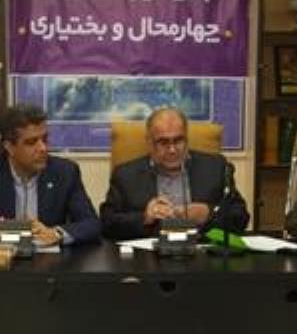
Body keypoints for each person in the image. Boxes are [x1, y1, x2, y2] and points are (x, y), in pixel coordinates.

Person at [100, 107, 249, 240]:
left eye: (178, 140)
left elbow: (241, 217)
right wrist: (144, 217)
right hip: (149, 256)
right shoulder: (126, 175)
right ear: (149, 143)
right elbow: (107, 224)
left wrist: (208, 213)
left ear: (187, 139)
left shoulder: (215, 167)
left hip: (201, 252)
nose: (172, 150)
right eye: (163, 142)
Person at [0, 104, 101, 245]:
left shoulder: (65, 172)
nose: (43, 148)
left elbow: (92, 224)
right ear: (9, 147)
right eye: (31, 142)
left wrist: (56, 233)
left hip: (48, 256)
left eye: (45, 139)